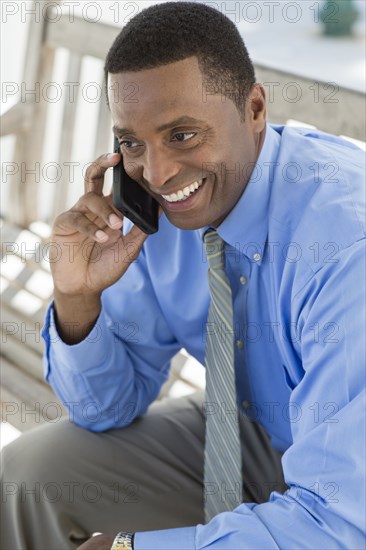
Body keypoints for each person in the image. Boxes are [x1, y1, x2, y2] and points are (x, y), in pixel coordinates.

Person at [1, 2, 365, 549]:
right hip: (257, 428)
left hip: (345, 469)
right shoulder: (153, 216)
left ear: (256, 108)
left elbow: (340, 524)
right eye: (131, 143)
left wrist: (132, 549)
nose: (158, 172)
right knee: (28, 476)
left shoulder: (344, 244)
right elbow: (106, 410)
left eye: (183, 135)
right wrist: (77, 299)